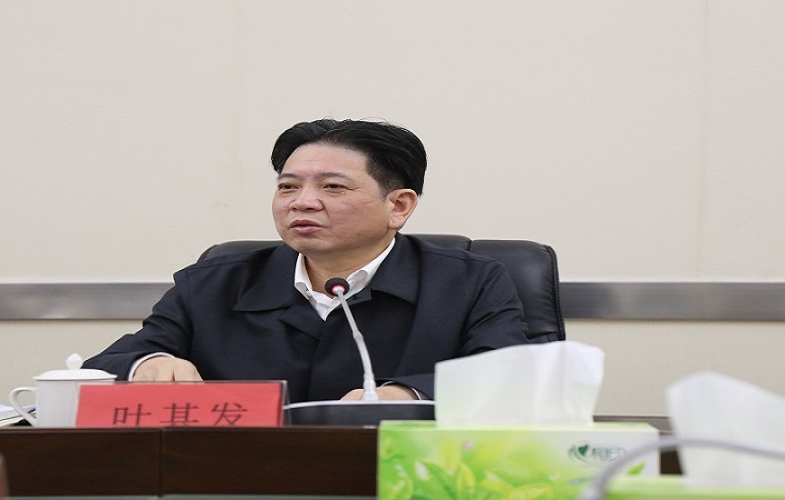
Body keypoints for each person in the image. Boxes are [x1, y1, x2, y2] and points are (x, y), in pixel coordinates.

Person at [83, 118, 529, 402]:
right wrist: (148, 365)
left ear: (398, 206)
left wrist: (409, 394)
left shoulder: (468, 281)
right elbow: (105, 366)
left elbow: (511, 377)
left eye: (333, 187)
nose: (302, 202)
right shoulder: (214, 283)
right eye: (288, 186)